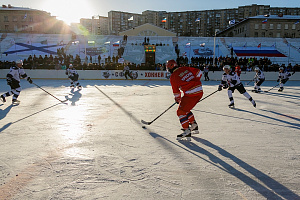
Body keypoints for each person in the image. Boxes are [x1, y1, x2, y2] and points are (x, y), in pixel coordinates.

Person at [166, 59, 203, 141]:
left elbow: (176, 91)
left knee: (180, 111)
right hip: (199, 91)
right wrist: (194, 81)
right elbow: (199, 72)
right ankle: (194, 125)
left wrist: (177, 99)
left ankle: (187, 131)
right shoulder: (184, 68)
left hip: (191, 93)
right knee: (185, 109)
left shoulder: (173, 76)